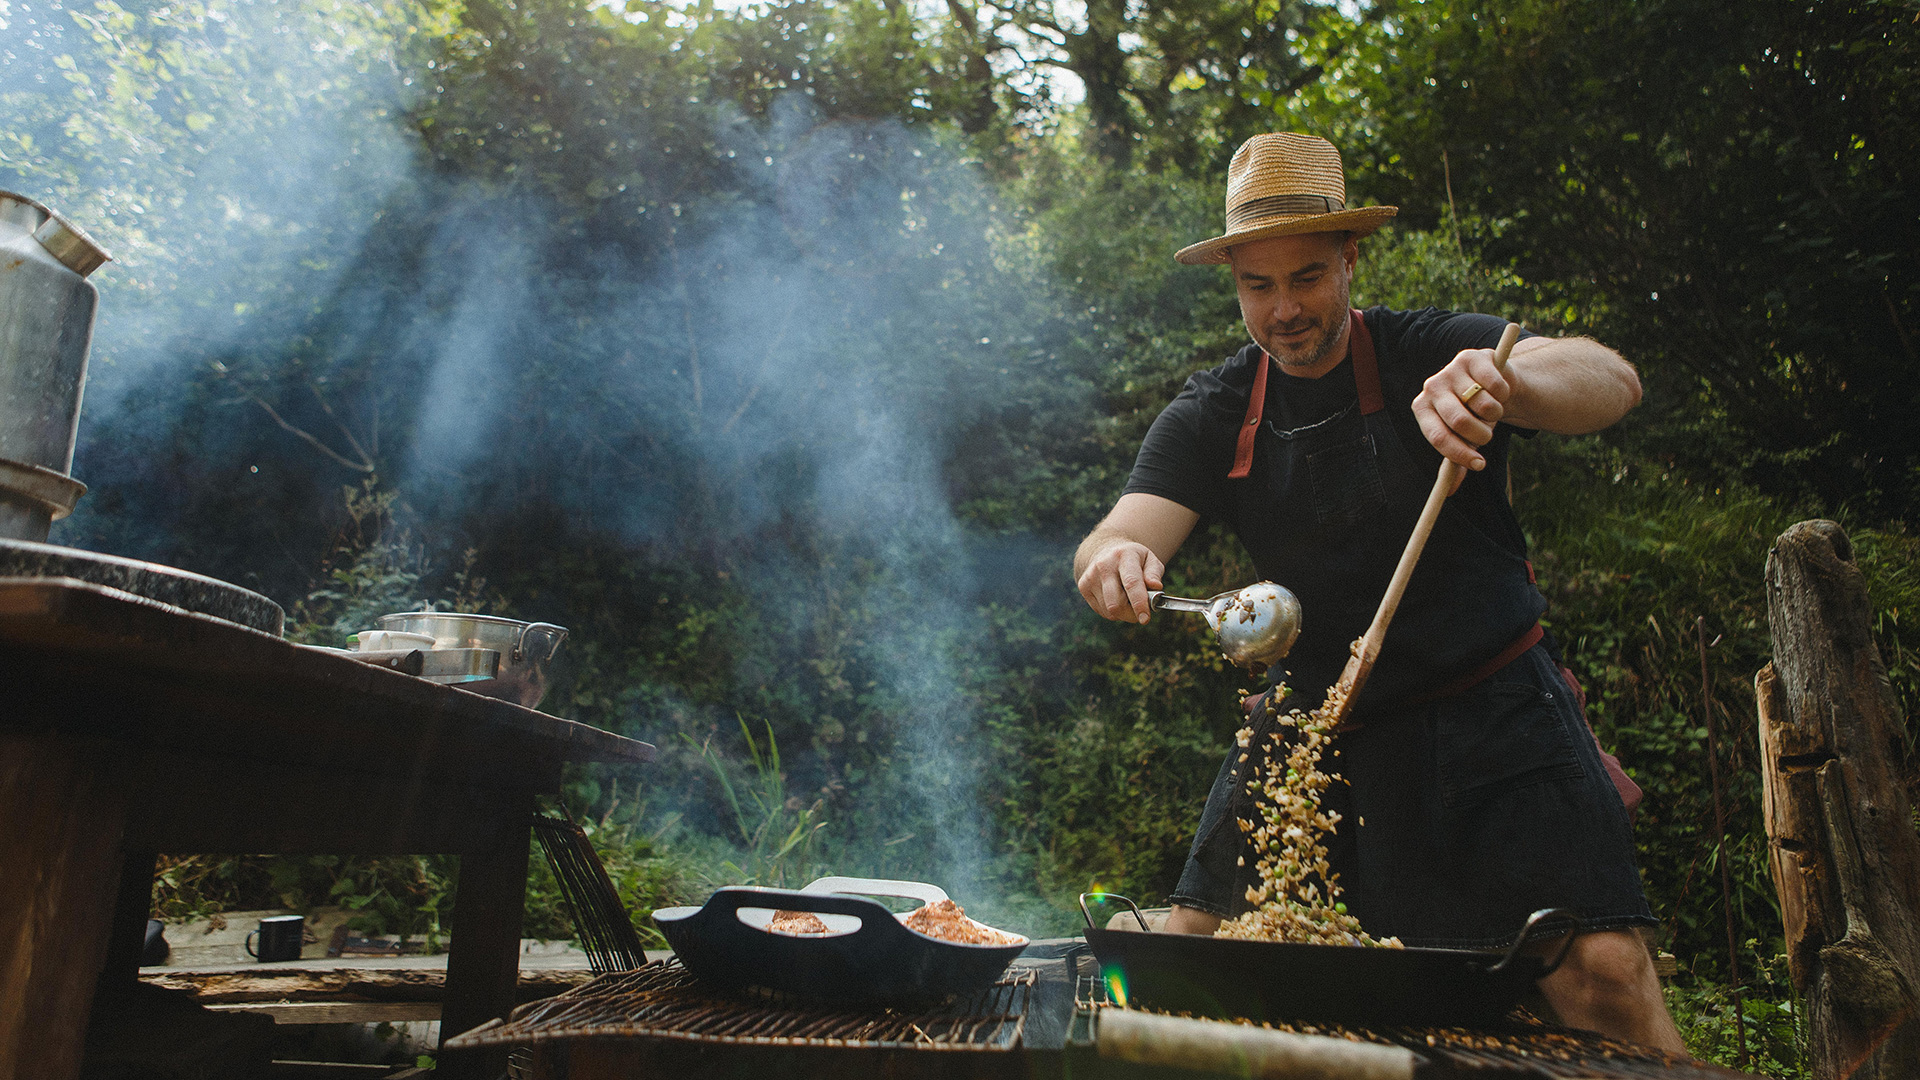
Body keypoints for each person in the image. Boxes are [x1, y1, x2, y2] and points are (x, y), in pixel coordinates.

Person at [1072, 133, 1683, 1052]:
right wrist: (1113, 563)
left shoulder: (1424, 351)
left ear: (1351, 258)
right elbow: (1117, 533)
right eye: (1259, 286)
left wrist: (1506, 381)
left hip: (1493, 706)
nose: (1285, 310)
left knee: (1602, 974)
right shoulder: (1214, 411)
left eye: (1308, 277)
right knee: (1196, 954)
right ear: (1234, 280)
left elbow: (1611, 381)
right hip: (1319, 723)